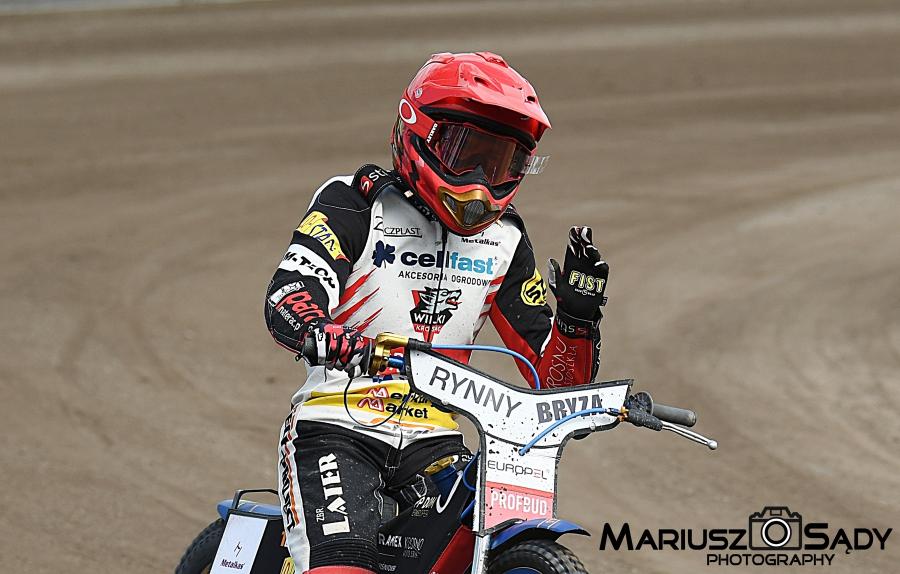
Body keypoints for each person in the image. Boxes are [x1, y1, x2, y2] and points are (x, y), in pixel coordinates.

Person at [265, 52, 609, 574]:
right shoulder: (356, 203)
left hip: (436, 441)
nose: (480, 182)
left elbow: (555, 384)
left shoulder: (506, 240)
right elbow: (289, 294)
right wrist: (322, 332)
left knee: (487, 528)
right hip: (338, 427)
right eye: (466, 153)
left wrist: (577, 322)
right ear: (418, 132)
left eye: (500, 163)